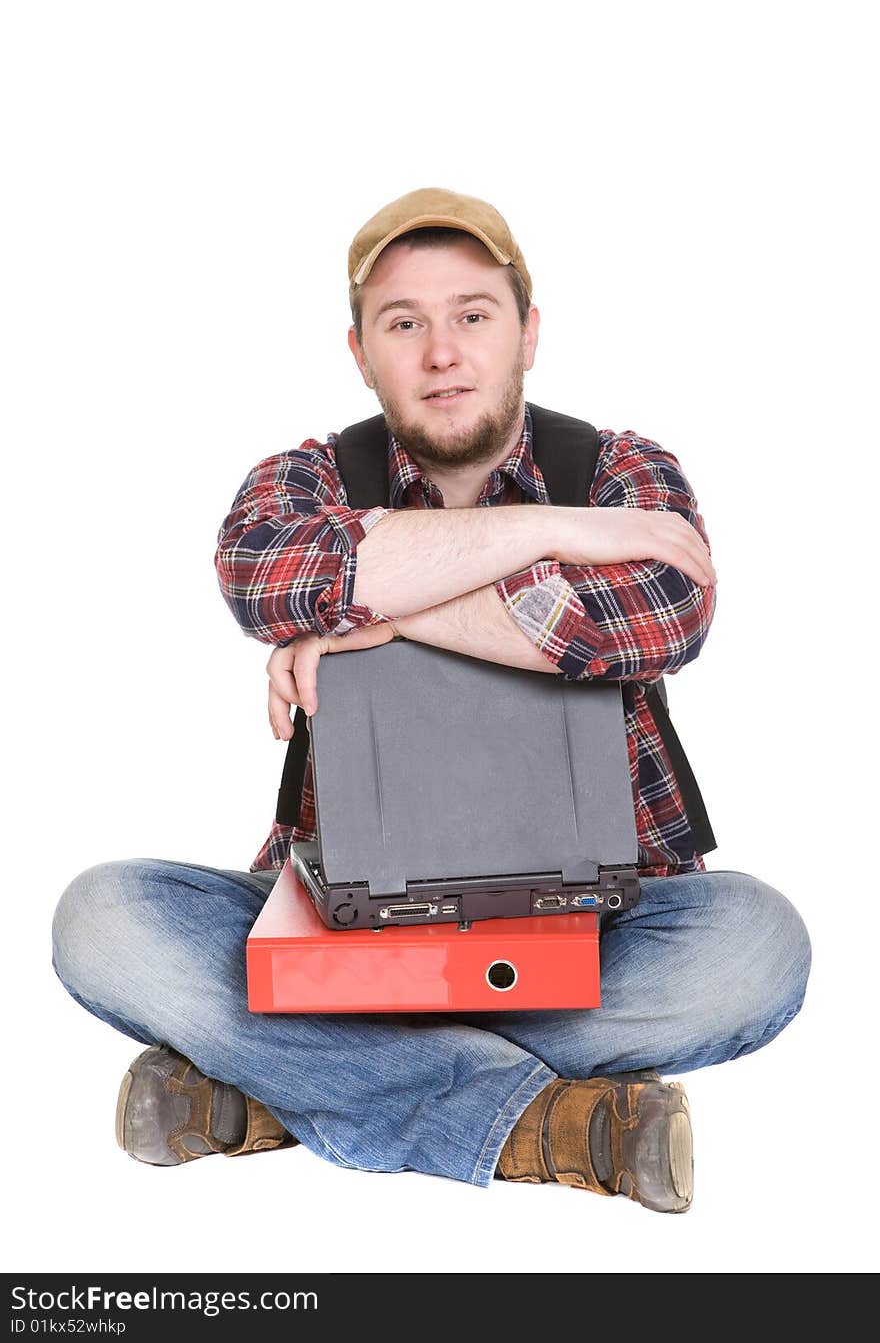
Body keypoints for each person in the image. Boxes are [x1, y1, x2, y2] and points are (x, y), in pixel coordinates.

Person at [52, 187, 811, 1214]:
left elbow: (655, 610)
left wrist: (377, 608)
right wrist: (546, 538)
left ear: (527, 332)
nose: (442, 353)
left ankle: (279, 1082)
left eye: (473, 315)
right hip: (346, 936)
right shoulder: (305, 478)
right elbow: (264, 572)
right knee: (103, 921)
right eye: (403, 323)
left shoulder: (625, 470)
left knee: (755, 948)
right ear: (361, 351)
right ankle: (538, 1124)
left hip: (591, 930)